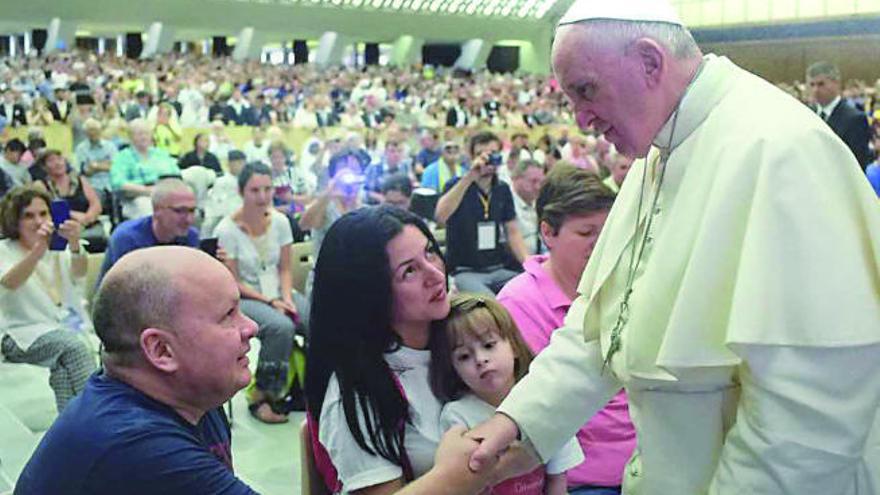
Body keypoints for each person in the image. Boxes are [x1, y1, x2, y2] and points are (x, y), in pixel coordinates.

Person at [467, 2, 880, 494]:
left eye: (585, 90)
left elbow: (807, 414)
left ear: (649, 61)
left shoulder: (781, 150)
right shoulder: (657, 148)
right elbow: (601, 328)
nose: (579, 119)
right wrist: (515, 421)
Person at [15, 245, 507, 495]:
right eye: (227, 315)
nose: (251, 327)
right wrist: (451, 477)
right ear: (160, 351)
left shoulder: (190, 398)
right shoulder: (134, 445)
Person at [497, 166, 635, 495]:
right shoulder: (518, 304)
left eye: (608, 232)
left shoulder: (627, 287)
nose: (602, 246)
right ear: (548, 232)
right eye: (587, 234)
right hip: (584, 479)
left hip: (651, 465)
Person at [430, 293, 584, 495]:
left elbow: (557, 479)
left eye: (488, 345)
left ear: (514, 346)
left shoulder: (544, 398)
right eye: (464, 356)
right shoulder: (457, 417)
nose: (480, 359)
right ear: (454, 369)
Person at [215, 162, 306, 424]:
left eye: (268, 189)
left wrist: (286, 298)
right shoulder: (226, 230)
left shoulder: (280, 222)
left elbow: (285, 268)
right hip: (246, 296)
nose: (263, 196)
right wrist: (271, 301)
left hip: (279, 290)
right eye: (255, 190)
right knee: (280, 327)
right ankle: (263, 396)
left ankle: (307, 387)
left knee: (317, 319)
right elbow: (233, 282)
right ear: (242, 191)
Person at [0, 186, 96, 412]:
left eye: (43, 214)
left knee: (64, 370)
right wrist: (37, 250)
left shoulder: (57, 247)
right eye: (28, 216)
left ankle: (69, 428)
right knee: (73, 347)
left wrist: (74, 244)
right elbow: (9, 282)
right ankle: (96, 416)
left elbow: (79, 273)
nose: (38, 221)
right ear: (15, 220)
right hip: (19, 334)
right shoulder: (4, 250)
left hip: (59, 326)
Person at [435, 132, 528, 294]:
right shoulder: (457, 185)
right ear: (471, 157)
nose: (486, 159)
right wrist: (470, 176)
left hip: (498, 268)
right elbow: (440, 217)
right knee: (492, 306)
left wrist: (529, 264)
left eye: (492, 154)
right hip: (465, 270)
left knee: (528, 293)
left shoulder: (502, 189)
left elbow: (512, 231)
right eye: (480, 154)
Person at [98, 179, 198, 284]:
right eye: (179, 211)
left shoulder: (190, 236)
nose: (189, 219)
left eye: (192, 211)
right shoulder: (127, 238)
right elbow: (129, 290)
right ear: (157, 210)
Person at [33, 150, 106, 252]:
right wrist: (73, 214)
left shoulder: (80, 179)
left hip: (87, 226)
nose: (57, 163)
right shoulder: (40, 185)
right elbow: (47, 209)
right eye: (51, 161)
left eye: (60, 159)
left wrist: (87, 218)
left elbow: (95, 204)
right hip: (60, 229)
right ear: (44, 167)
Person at [806, 61, 873, 170]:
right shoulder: (808, 114)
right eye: (812, 85)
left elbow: (858, 163)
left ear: (836, 83)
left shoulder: (854, 119)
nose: (815, 90)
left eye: (821, 84)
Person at [110, 119, 181, 219]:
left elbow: (177, 175)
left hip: (166, 193)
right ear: (130, 137)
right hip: (137, 197)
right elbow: (118, 183)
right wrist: (146, 190)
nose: (144, 137)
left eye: (146, 133)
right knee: (150, 210)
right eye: (139, 134)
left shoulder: (161, 153)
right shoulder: (122, 157)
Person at [203, 150, 246, 237]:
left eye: (243, 163)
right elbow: (217, 206)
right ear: (230, 164)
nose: (241, 166)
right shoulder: (221, 181)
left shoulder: (246, 181)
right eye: (238, 163)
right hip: (225, 218)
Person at [509, 159, 545, 255]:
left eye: (541, 182)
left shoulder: (540, 204)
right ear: (516, 179)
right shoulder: (507, 205)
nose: (538, 187)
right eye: (533, 181)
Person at [74, 118, 117, 195]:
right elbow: (85, 171)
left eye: (95, 130)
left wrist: (95, 165)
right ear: (85, 133)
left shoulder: (110, 146)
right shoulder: (80, 149)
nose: (93, 133)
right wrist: (105, 164)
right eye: (90, 130)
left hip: (112, 183)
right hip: (93, 186)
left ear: (100, 131)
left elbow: (115, 167)